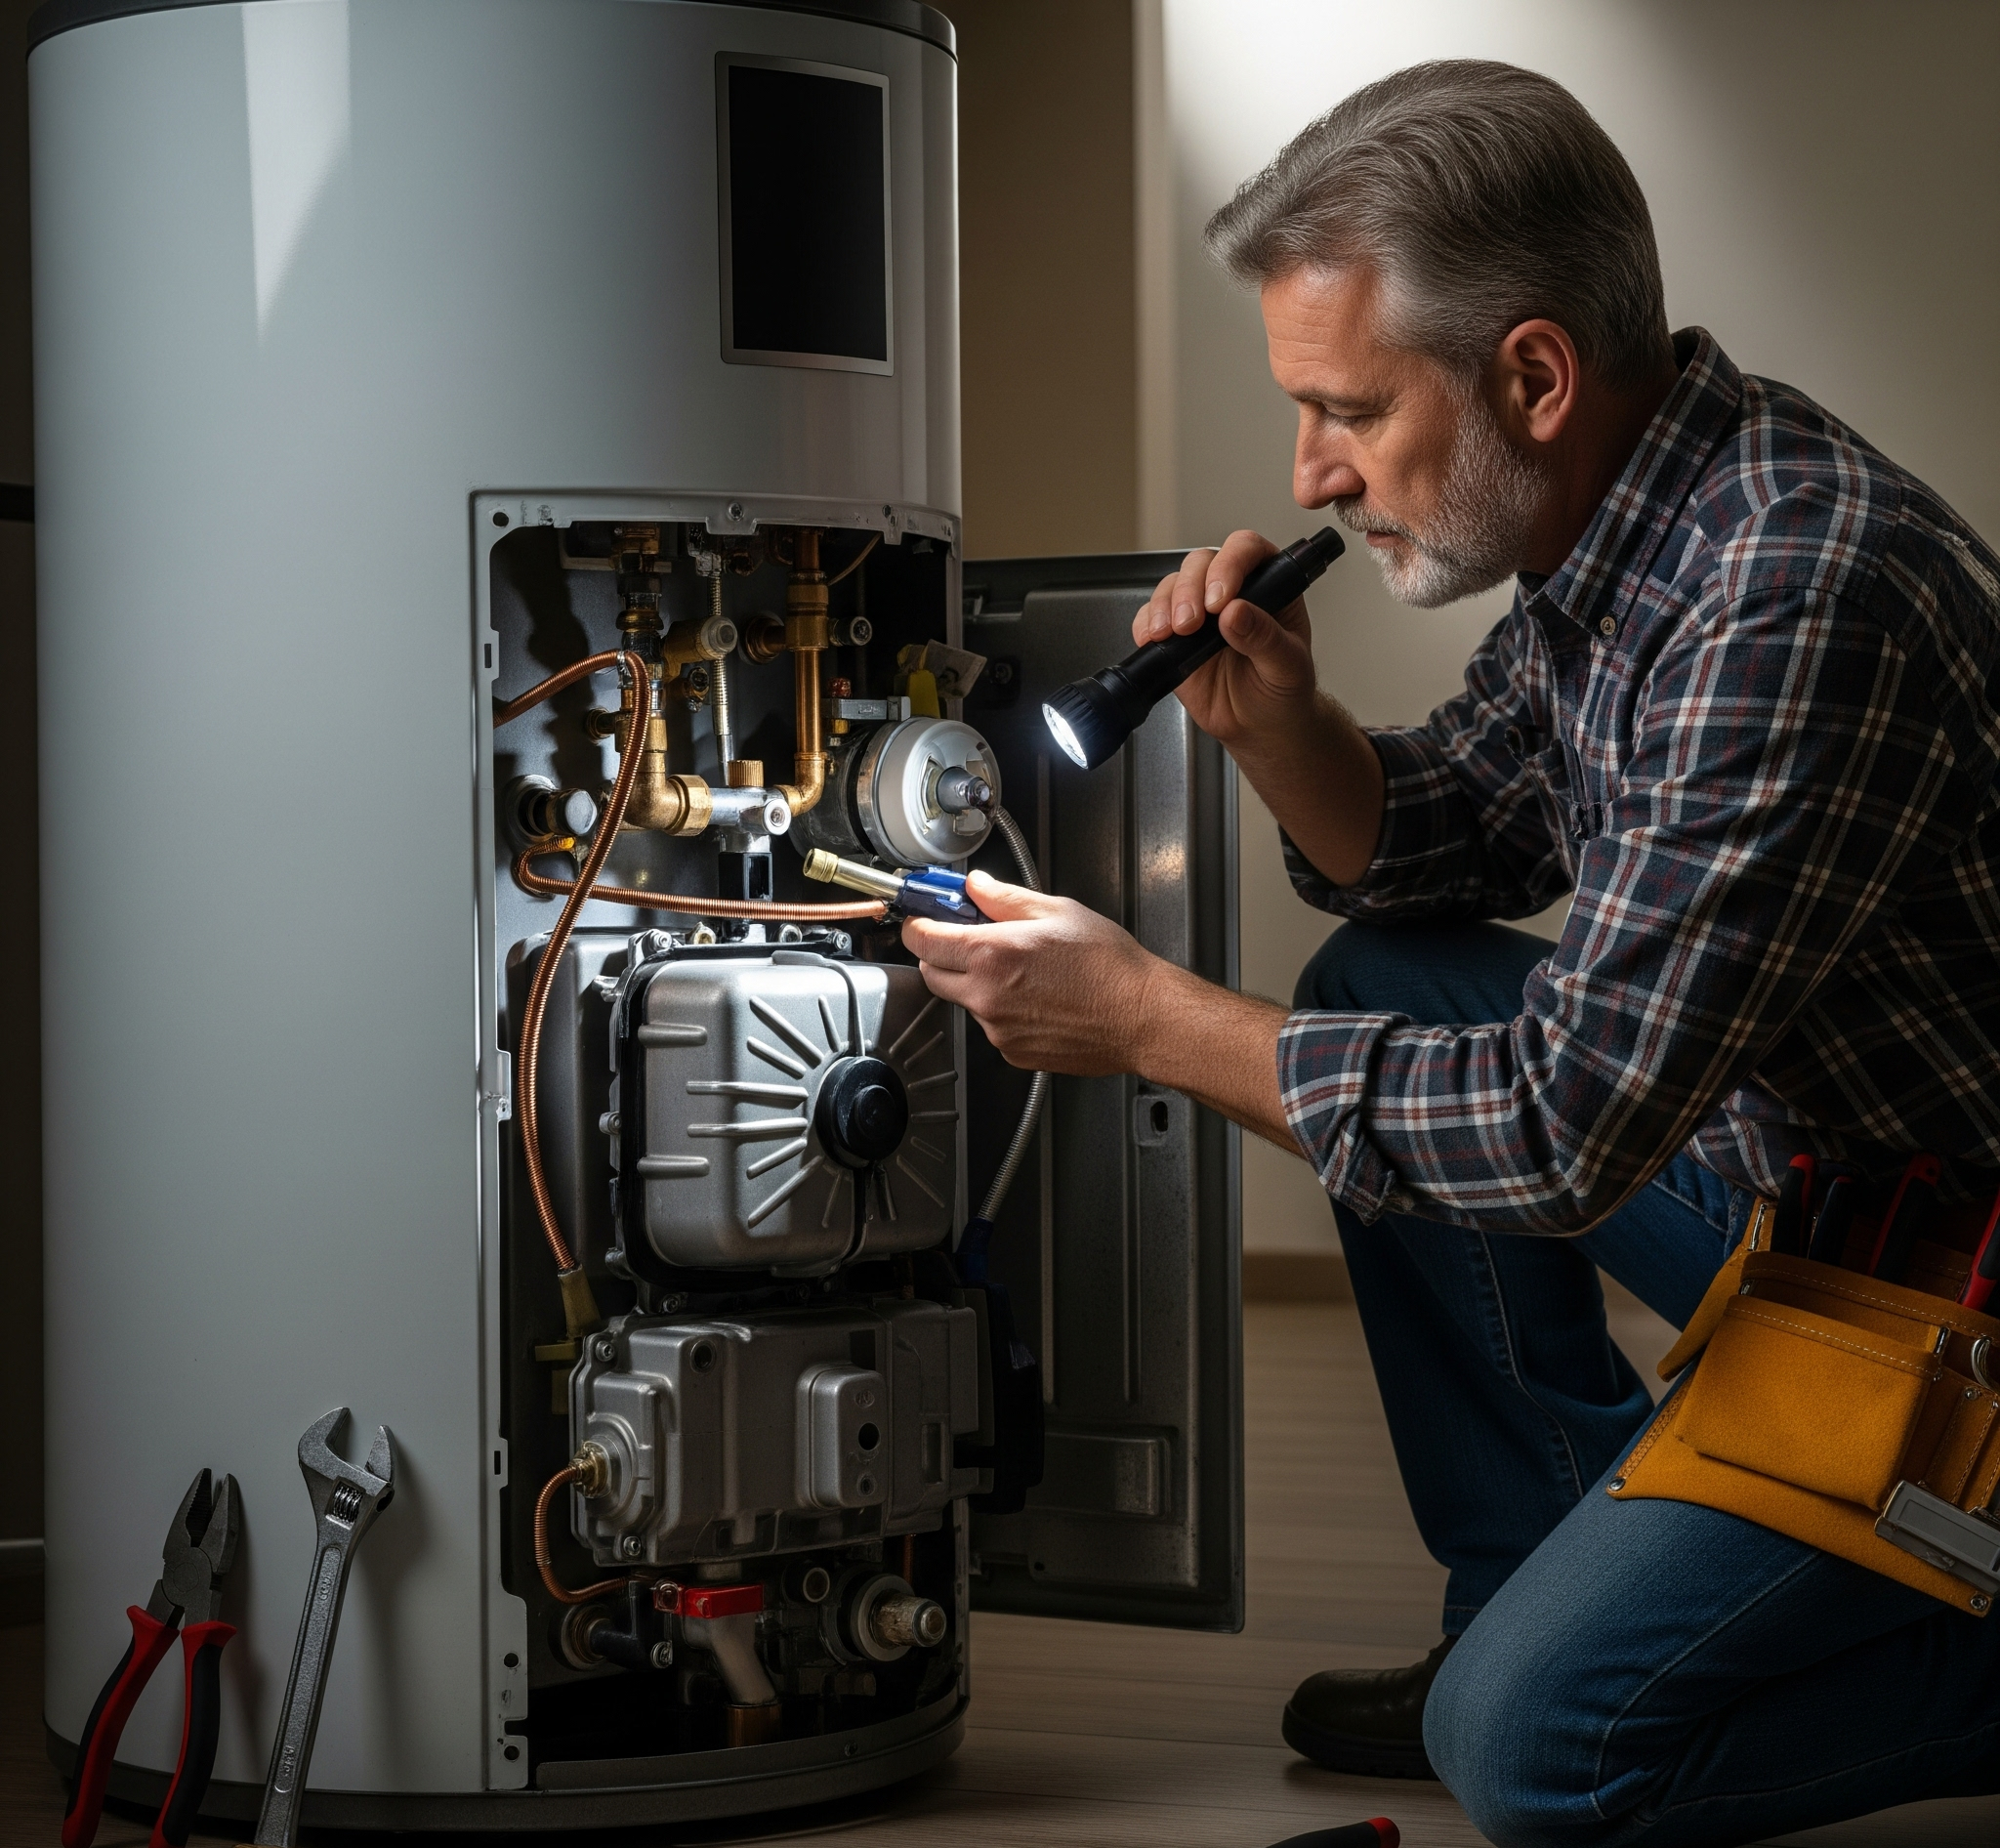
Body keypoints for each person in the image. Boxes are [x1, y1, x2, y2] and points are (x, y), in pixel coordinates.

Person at [903, 58, 2000, 1848]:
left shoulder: (1793, 592)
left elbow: (1563, 1131)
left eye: (1346, 410)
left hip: (1959, 1281)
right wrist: (1278, 731)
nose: (1311, 476)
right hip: (1809, 1175)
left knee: (1539, 1757)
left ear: (1535, 378)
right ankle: (1532, 1580)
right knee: (1387, 984)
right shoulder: (1618, 526)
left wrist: (1144, 1020)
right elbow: (1446, 843)